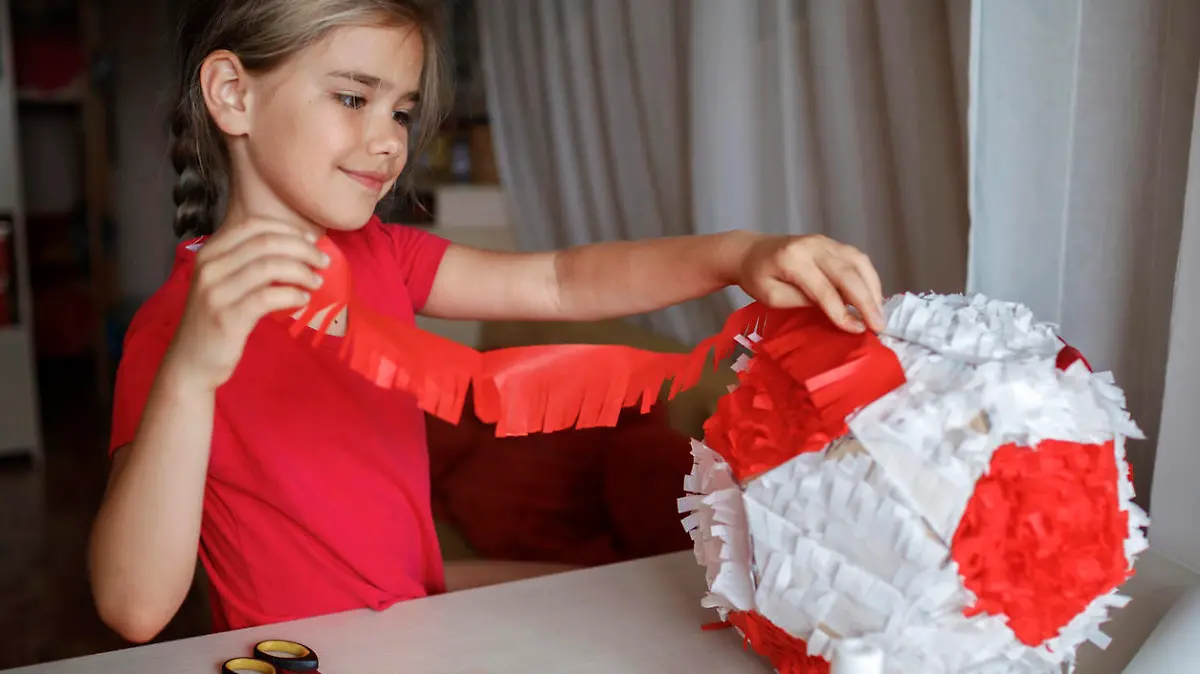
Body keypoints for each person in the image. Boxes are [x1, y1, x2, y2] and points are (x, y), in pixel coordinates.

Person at [88, 0, 887, 645]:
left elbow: (560, 281)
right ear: (233, 93)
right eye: (353, 97)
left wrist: (739, 253)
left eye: (400, 111)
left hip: (418, 625)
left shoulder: (385, 255)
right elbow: (135, 607)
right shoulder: (174, 329)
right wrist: (193, 371)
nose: (387, 141)